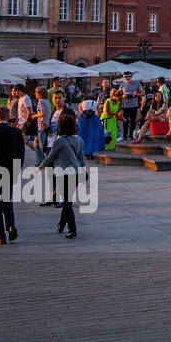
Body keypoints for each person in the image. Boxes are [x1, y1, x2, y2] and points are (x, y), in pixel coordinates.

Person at [36, 110, 84, 239]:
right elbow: (81, 158)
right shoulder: (79, 139)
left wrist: (38, 168)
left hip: (64, 174)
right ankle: (61, 224)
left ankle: (72, 229)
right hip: (77, 173)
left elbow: (49, 158)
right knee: (68, 200)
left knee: (67, 203)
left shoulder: (59, 141)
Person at [0, 106, 22, 245]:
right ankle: (11, 227)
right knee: (7, 201)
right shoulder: (16, 132)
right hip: (10, 171)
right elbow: (21, 154)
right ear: (8, 116)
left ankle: (0, 235)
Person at [77, 96, 106, 160]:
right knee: (94, 136)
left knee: (84, 136)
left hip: (83, 120)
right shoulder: (95, 103)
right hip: (93, 120)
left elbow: (81, 112)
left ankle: (85, 151)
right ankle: (93, 151)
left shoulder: (81, 104)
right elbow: (97, 112)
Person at [119, 72, 142, 138]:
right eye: (125, 79)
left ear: (131, 77)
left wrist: (136, 94)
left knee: (133, 121)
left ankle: (132, 135)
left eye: (128, 78)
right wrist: (123, 96)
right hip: (125, 105)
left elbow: (142, 93)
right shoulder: (122, 85)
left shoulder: (136, 83)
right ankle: (125, 136)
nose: (127, 80)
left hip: (134, 105)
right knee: (125, 121)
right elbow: (119, 95)